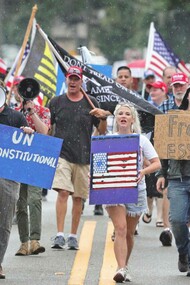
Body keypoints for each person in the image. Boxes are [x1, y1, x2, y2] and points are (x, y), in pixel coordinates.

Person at [49, 66, 107, 250]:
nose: (73, 82)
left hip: (83, 155)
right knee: (63, 192)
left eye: (76, 79)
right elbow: (48, 128)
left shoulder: (91, 103)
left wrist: (103, 118)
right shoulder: (56, 102)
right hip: (62, 154)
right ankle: (59, 234)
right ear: (66, 79)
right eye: (70, 78)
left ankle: (73, 235)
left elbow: (102, 132)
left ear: (81, 81)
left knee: (78, 197)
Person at [105, 102, 161, 282]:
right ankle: (120, 268)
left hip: (136, 189)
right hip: (114, 189)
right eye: (120, 113)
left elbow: (156, 163)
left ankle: (124, 266)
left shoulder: (141, 140)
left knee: (129, 232)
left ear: (132, 119)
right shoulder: (108, 139)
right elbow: (99, 161)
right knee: (120, 228)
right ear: (116, 118)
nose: (123, 116)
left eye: (127, 114)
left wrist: (143, 172)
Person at [12, 77, 51, 256]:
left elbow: (44, 132)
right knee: (20, 204)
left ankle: (35, 240)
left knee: (34, 199)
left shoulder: (44, 111)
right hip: (17, 162)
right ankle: (24, 242)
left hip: (36, 160)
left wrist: (32, 113)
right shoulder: (11, 112)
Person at [156, 72, 190, 277]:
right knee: (177, 220)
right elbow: (164, 148)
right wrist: (162, 173)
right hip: (177, 177)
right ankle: (184, 253)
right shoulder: (174, 117)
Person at [0, 94, 34, 279]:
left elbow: (29, 146)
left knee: (4, 222)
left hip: (8, 178)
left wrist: (28, 134)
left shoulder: (15, 117)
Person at [94, 66, 134, 216]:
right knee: (102, 175)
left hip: (127, 144)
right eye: (120, 76)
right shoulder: (107, 96)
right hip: (107, 140)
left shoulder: (136, 99)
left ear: (131, 80)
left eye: (126, 76)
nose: (123, 79)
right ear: (115, 79)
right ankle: (99, 202)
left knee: (123, 180)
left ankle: (126, 214)